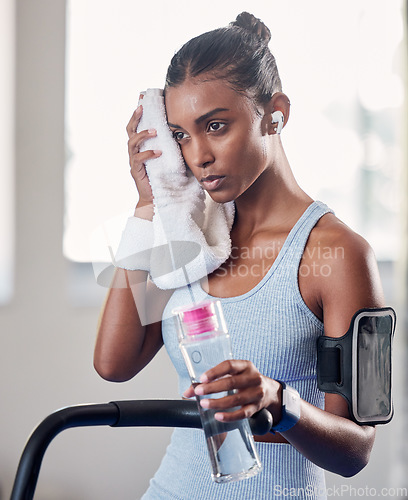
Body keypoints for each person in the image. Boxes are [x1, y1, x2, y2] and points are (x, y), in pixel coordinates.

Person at [94, 12, 385, 499]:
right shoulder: (188, 239)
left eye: (216, 126)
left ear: (276, 112)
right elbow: (113, 363)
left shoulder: (342, 255)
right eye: (181, 135)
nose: (198, 155)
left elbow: (357, 450)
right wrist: (148, 205)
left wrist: (279, 400)